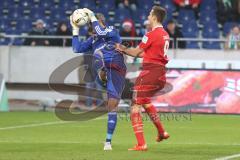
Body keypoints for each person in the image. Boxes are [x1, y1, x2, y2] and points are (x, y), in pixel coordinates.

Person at [70, 9, 126, 151]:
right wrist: (75, 29)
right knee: (98, 54)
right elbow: (76, 49)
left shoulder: (112, 31)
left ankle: (108, 142)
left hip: (116, 71)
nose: (93, 28)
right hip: (103, 71)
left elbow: (101, 32)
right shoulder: (93, 40)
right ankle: (102, 71)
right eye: (91, 26)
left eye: (95, 24)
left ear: (103, 23)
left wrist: (92, 16)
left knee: (112, 107)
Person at [116, 6, 170, 151]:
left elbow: (136, 52)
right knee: (144, 101)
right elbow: (146, 54)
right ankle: (162, 132)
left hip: (149, 73)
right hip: (160, 74)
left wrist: (121, 48)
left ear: (154, 17)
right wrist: (127, 50)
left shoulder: (150, 34)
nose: (148, 16)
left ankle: (141, 144)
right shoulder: (165, 34)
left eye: (149, 14)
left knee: (135, 105)